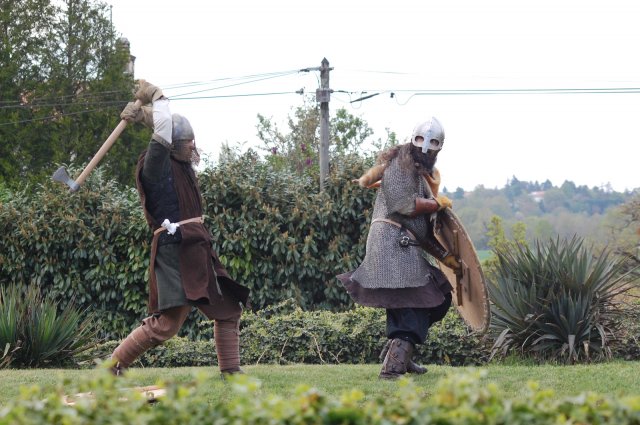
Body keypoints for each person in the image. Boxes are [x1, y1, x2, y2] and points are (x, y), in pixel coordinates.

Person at [110, 81, 249, 377]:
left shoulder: (181, 163)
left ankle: (231, 372)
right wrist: (157, 97)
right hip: (174, 250)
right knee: (167, 324)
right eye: (188, 142)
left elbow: (166, 127)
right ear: (172, 144)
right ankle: (111, 368)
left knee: (228, 309)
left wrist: (143, 115)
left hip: (197, 246)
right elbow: (163, 131)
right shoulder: (155, 164)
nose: (193, 146)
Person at [337, 117, 460, 380]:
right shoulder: (400, 165)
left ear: (439, 147)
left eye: (433, 143)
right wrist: (436, 204)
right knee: (412, 303)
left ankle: (402, 352)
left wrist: (445, 256)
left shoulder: (420, 175)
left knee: (439, 296)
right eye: (422, 140)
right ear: (413, 139)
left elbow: (421, 231)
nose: (426, 147)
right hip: (392, 244)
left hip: (405, 244)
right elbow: (404, 205)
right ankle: (393, 367)